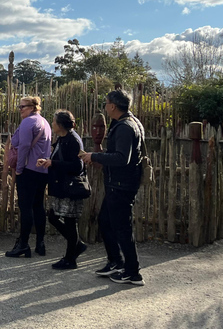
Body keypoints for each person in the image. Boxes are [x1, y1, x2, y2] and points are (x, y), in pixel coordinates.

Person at [80, 88, 145, 286]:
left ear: (113, 106)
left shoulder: (125, 127)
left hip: (121, 185)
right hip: (118, 183)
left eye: (106, 103)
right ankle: (116, 261)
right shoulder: (129, 122)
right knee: (106, 222)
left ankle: (133, 273)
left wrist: (95, 156)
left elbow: (121, 158)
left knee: (122, 228)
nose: (105, 107)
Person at [37, 110, 87, 270]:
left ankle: (70, 258)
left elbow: (78, 166)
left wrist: (54, 164)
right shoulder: (62, 138)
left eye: (54, 121)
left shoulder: (73, 140)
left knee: (70, 222)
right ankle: (76, 245)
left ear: (60, 125)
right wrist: (49, 161)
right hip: (61, 186)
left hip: (70, 187)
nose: (52, 124)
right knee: (53, 217)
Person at [6, 96, 51, 258]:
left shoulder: (28, 122)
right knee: (38, 206)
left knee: (25, 207)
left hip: (28, 170)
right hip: (42, 171)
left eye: (22, 106)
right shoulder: (45, 122)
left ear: (32, 107)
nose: (20, 109)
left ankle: (23, 244)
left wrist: (19, 169)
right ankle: (40, 243)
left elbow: (24, 146)